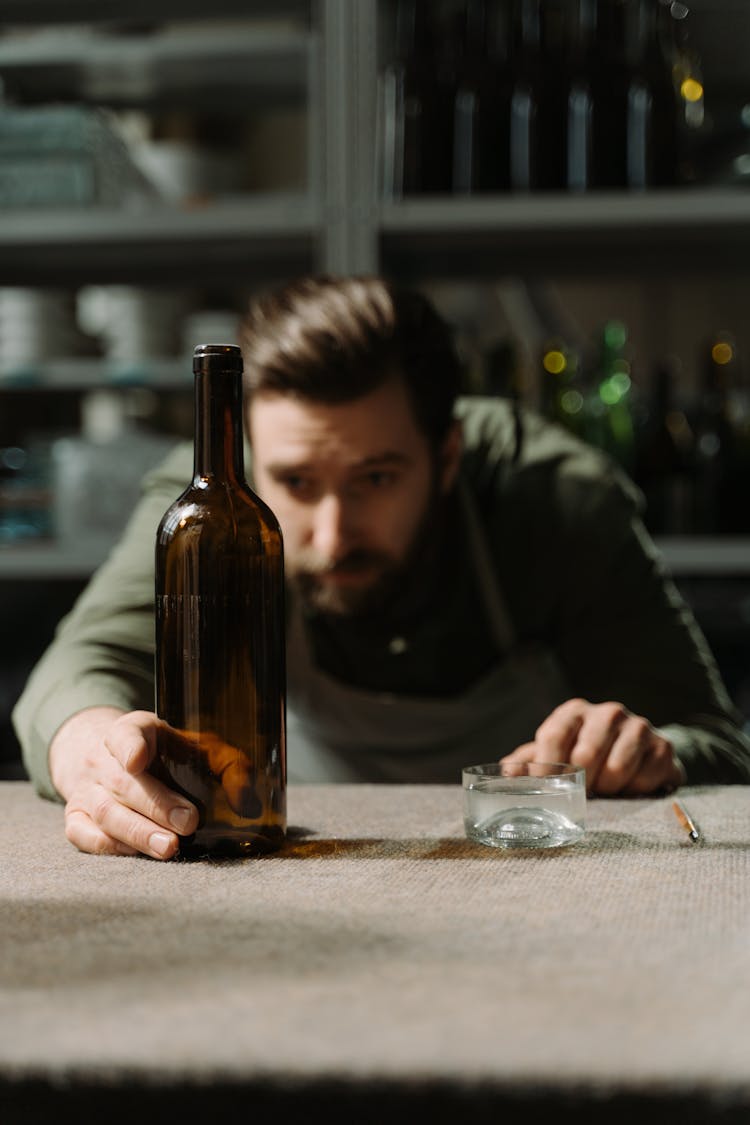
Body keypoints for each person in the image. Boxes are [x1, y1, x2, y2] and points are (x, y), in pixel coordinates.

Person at [13, 275, 750, 860]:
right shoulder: (214, 506)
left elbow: (719, 742)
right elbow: (72, 671)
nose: (334, 535)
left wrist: (650, 752)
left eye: (375, 479)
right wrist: (92, 752)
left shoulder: (554, 499)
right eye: (297, 484)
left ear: (448, 455)